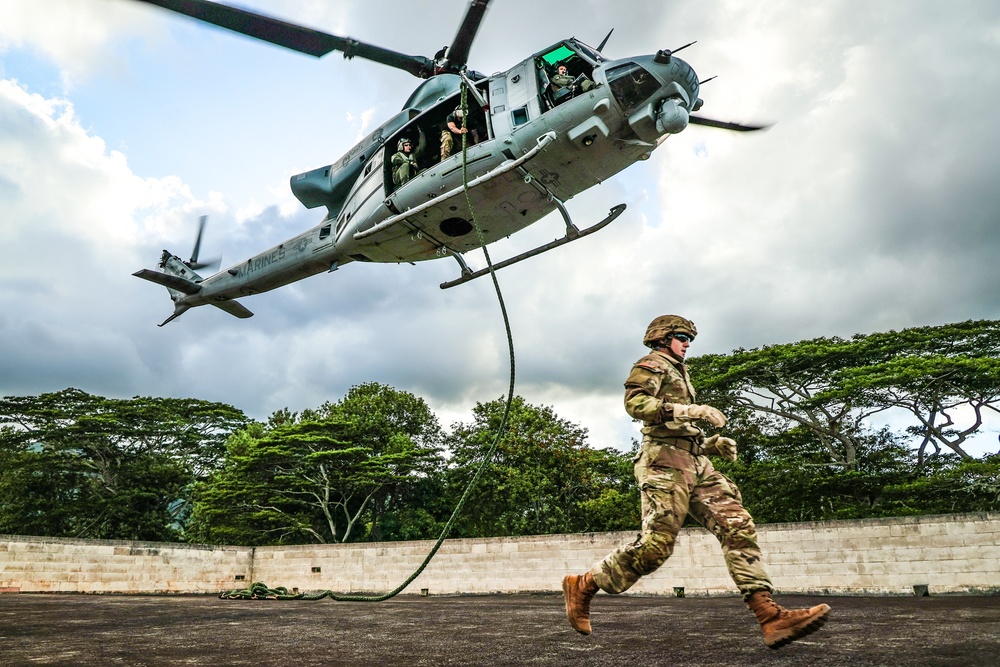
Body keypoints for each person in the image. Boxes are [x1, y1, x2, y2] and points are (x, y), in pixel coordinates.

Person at [562, 315, 831, 649]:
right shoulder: (652, 364)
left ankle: (770, 617)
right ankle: (585, 584)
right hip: (663, 463)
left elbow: (679, 429)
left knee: (737, 524)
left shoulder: (680, 370)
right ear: (662, 338)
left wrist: (709, 444)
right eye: (681, 336)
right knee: (655, 548)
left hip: (696, 462)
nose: (687, 342)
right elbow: (636, 404)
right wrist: (694, 411)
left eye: (690, 337)